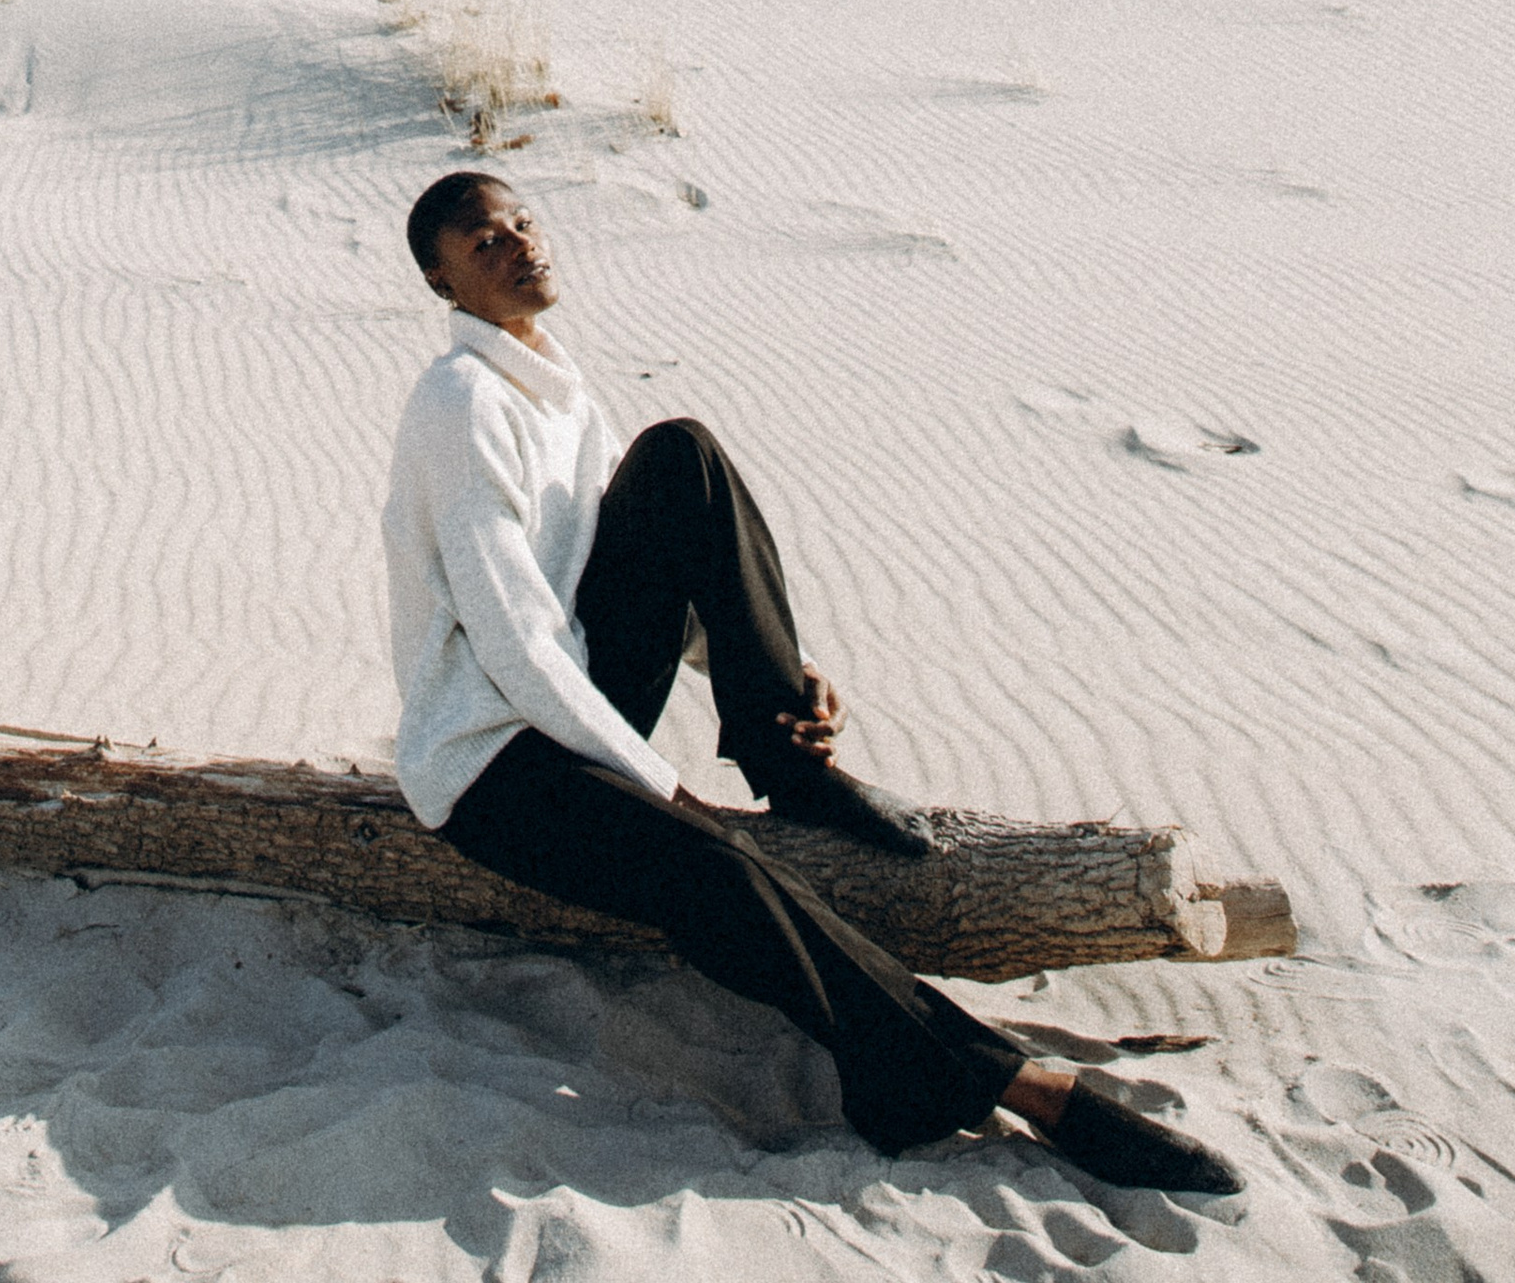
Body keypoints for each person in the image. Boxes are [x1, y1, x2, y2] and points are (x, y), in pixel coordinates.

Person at [381, 169, 1242, 1198]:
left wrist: (769, 670)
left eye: (523, 221)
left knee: (681, 459)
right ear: (443, 284)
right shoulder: (459, 402)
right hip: (494, 759)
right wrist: (664, 787)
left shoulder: (554, 381)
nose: (519, 242)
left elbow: (651, 565)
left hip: (571, 700)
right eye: (484, 242)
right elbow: (516, 641)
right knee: (720, 870)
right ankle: (1012, 1082)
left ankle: (788, 752)